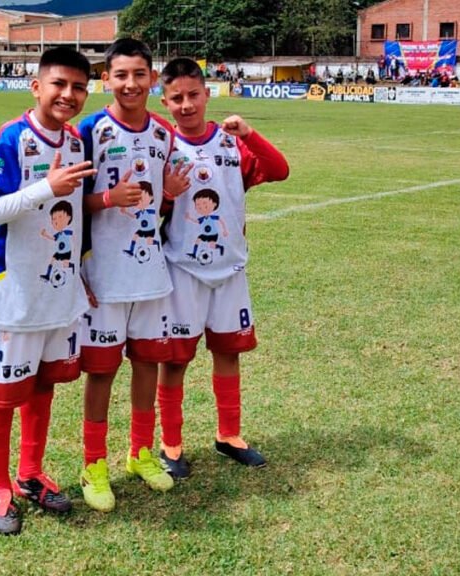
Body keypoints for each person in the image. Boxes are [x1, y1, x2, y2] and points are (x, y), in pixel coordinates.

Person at [0, 46, 98, 536]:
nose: (68, 95)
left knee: (43, 385)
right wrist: (47, 187)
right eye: (59, 84)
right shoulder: (10, 138)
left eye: (79, 87)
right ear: (36, 86)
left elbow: (78, 220)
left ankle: (30, 473)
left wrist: (80, 273)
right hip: (9, 294)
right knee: (1, 398)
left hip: (58, 295)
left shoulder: (77, 143)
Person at [155, 57, 289, 480]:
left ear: (207, 94)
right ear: (165, 101)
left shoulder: (231, 143)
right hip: (183, 270)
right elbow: (150, 211)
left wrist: (250, 133)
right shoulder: (163, 146)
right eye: (176, 98)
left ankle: (229, 435)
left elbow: (279, 170)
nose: (187, 105)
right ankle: (170, 442)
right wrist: (169, 195)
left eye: (194, 95)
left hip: (230, 269)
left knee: (228, 352)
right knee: (175, 359)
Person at [75, 37, 184, 512]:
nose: (130, 83)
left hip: (151, 274)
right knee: (101, 373)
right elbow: (66, 202)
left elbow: (156, 205)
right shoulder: (90, 130)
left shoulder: (163, 133)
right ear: (107, 79)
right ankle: (93, 464)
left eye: (139, 74)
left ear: (152, 78)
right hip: (105, 277)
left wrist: (169, 196)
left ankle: (141, 451)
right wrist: (104, 199)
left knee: (146, 363)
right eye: (121, 75)